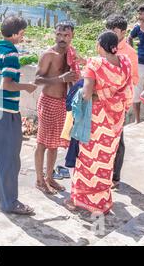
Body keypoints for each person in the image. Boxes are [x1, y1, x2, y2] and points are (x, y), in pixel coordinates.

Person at [66, 31, 133, 214]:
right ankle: (102, 200)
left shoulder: (95, 64)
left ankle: (83, 201)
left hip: (97, 120)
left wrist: (83, 93)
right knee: (106, 159)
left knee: (88, 159)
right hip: (116, 118)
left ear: (99, 45)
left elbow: (86, 94)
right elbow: (124, 86)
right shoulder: (124, 61)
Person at [0, 15, 37, 215]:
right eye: (22, 33)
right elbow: (8, 84)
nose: (23, 37)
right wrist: (27, 86)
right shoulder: (11, 54)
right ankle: (10, 202)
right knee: (9, 157)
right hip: (6, 110)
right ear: (14, 34)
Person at [34, 21, 80, 194]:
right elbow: (37, 80)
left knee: (54, 144)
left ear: (72, 36)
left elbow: (75, 77)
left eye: (66, 35)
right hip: (48, 101)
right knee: (42, 143)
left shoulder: (71, 54)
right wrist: (61, 78)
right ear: (55, 34)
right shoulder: (48, 54)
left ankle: (50, 177)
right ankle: (39, 180)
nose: (62, 38)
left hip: (62, 103)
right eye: (59, 34)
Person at [105, 14, 139, 188]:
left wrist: (115, 86)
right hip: (103, 101)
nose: (109, 33)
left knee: (118, 138)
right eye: (108, 30)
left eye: (113, 31)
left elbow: (133, 79)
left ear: (123, 32)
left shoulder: (130, 53)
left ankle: (115, 177)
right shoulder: (103, 45)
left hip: (118, 102)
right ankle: (103, 172)